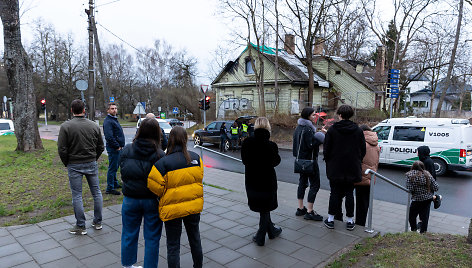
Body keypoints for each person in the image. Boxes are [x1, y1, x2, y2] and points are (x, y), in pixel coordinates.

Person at [148, 126, 204, 268]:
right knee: (195, 239)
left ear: (170, 140)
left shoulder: (162, 164)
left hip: (172, 210)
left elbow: (154, 186)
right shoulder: (196, 159)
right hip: (193, 207)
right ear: (185, 139)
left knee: (173, 245)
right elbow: (199, 178)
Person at [120, 118, 165, 268]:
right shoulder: (160, 155)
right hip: (152, 200)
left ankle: (127, 265)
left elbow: (124, 174)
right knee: (152, 238)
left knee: (128, 233)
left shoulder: (126, 150)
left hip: (130, 199)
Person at [57, 99, 104, 235]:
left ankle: (81, 225)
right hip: (91, 162)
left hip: (74, 164)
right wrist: (93, 158)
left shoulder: (66, 127)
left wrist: (67, 162)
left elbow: (62, 148)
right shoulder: (94, 126)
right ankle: (98, 222)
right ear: (84, 110)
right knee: (96, 192)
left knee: (77, 195)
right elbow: (101, 146)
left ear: (72, 110)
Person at [323, 104, 366, 231]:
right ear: (351, 115)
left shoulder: (332, 130)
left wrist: (329, 161)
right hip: (352, 167)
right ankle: (350, 221)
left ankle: (331, 219)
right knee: (349, 194)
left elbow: (326, 149)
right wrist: (357, 160)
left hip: (335, 167)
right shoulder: (358, 130)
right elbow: (362, 150)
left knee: (334, 193)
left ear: (339, 115)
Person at [241, 117, 282, 246]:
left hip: (252, 180)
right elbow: (276, 161)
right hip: (267, 181)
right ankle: (260, 237)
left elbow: (244, 161)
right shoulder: (271, 145)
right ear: (268, 127)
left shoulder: (247, 143)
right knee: (265, 207)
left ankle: (272, 231)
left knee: (263, 208)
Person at [292, 107, 326, 221]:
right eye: (312, 115)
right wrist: (320, 136)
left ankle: (300, 208)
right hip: (310, 161)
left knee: (302, 183)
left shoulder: (298, 128)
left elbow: (296, 146)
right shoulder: (308, 129)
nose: (314, 116)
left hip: (300, 161)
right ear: (307, 116)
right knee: (315, 185)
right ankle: (310, 211)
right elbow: (311, 145)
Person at [354, 125, 380, 227]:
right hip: (371, 176)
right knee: (364, 202)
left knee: (358, 201)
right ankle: (362, 223)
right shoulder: (376, 144)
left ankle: (357, 223)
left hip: (360, 176)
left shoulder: (361, 143)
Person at [406, 161, 439, 233]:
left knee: (412, 216)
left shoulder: (409, 175)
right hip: (427, 199)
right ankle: (423, 231)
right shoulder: (428, 175)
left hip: (416, 199)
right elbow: (436, 187)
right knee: (425, 216)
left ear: (413, 167)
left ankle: (413, 229)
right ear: (423, 167)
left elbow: (409, 189)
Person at [103, 102, 125, 195]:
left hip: (117, 148)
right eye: (112, 108)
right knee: (112, 168)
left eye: (115, 108)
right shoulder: (108, 121)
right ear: (108, 110)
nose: (114, 110)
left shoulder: (114, 119)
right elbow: (109, 137)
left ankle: (115, 184)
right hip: (114, 148)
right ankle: (110, 188)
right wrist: (117, 146)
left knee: (115, 167)